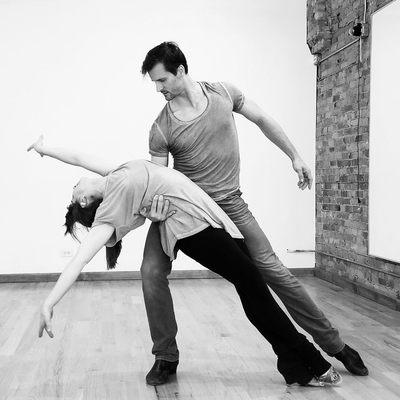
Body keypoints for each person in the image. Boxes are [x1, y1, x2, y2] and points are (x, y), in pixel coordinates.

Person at [28, 135, 342, 387]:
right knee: (251, 283)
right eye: (74, 190)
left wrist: (44, 149)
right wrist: (49, 302)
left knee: (250, 285)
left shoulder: (115, 174)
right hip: (191, 229)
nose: (76, 182)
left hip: (206, 217)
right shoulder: (110, 212)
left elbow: (80, 157)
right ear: (84, 199)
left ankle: (293, 362)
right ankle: (308, 360)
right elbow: (78, 262)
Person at [140, 41, 368, 385]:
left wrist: (295, 156)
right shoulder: (161, 127)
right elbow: (160, 180)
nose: (159, 89)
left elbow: (262, 119)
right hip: (188, 210)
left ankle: (334, 344)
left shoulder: (223, 94)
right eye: (155, 83)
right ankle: (165, 356)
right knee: (150, 271)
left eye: (162, 81)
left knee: (276, 273)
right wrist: (156, 211)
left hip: (231, 204)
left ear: (181, 71)